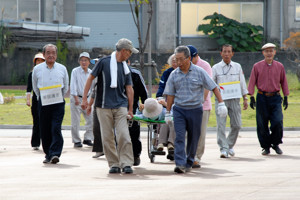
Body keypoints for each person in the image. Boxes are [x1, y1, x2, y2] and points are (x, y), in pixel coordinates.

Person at [163, 46, 227, 173]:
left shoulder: (199, 71)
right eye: (176, 59)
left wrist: (221, 103)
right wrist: (168, 112)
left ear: (189, 58)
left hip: (195, 110)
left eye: (181, 59)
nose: (179, 63)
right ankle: (180, 163)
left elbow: (213, 87)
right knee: (179, 137)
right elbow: (170, 94)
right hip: (179, 110)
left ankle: (190, 160)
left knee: (194, 137)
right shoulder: (173, 74)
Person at [81, 38, 137, 174]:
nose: (130, 55)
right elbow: (90, 79)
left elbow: (129, 89)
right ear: (123, 51)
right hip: (103, 106)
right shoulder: (103, 62)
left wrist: (130, 109)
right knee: (107, 137)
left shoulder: (125, 67)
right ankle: (114, 164)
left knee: (124, 134)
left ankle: (127, 162)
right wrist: (85, 99)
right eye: (130, 52)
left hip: (120, 105)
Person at [248, 43, 289, 156]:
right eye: (266, 51)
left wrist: (285, 96)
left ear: (274, 52)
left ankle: (275, 143)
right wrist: (251, 97)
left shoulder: (280, 66)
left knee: (277, 121)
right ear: (263, 53)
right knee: (262, 123)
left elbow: (283, 81)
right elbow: (252, 81)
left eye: (271, 51)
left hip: (275, 97)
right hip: (262, 97)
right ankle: (266, 146)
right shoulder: (257, 66)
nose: (269, 53)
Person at [32, 44, 69, 164]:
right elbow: (35, 87)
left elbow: (66, 86)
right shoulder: (37, 69)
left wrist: (60, 96)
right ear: (43, 55)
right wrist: (40, 98)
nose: (51, 55)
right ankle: (48, 153)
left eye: (53, 52)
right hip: (43, 102)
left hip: (58, 101)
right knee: (45, 128)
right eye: (48, 52)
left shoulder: (62, 68)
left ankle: (55, 153)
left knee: (55, 127)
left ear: (56, 55)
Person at [212, 44, 248, 158]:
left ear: (232, 53)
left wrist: (245, 98)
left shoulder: (237, 66)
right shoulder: (215, 68)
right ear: (221, 53)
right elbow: (212, 84)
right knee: (221, 125)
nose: (226, 54)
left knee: (237, 124)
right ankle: (223, 148)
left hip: (235, 98)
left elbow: (242, 82)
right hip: (221, 100)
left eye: (229, 51)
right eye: (224, 51)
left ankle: (229, 145)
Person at [187, 45, 212, 168]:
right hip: (187, 105)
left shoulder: (205, 66)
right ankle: (188, 156)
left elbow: (207, 86)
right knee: (188, 132)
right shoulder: (185, 66)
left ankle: (196, 157)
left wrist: (199, 101)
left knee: (200, 133)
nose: (188, 61)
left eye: (190, 58)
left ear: (196, 56)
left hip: (203, 106)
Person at [156, 54, 177, 161]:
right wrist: (160, 99)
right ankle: (161, 143)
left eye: (176, 60)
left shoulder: (182, 73)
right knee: (166, 117)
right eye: (172, 60)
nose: (174, 62)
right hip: (166, 99)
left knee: (173, 118)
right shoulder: (167, 73)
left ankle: (170, 143)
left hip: (177, 102)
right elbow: (161, 87)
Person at [70, 52, 94, 148]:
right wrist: (76, 98)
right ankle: (76, 140)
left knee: (91, 119)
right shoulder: (75, 71)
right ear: (79, 61)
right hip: (76, 98)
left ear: (89, 62)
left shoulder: (91, 72)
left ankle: (88, 138)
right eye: (82, 60)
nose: (83, 62)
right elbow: (73, 85)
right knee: (75, 121)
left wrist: (89, 100)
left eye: (86, 60)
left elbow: (92, 88)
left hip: (88, 99)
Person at [128, 60, 148, 166]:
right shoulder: (114, 73)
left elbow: (143, 93)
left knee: (134, 133)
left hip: (133, 108)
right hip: (117, 107)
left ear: (129, 63)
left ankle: (136, 155)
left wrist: (146, 105)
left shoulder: (135, 74)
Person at [26, 53, 45, 150]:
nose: (40, 62)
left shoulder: (47, 72)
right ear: (35, 62)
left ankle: (47, 142)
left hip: (46, 98)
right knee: (36, 121)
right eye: (38, 60)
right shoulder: (31, 73)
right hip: (35, 100)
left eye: (42, 60)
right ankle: (35, 143)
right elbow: (29, 88)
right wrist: (28, 100)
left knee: (46, 121)